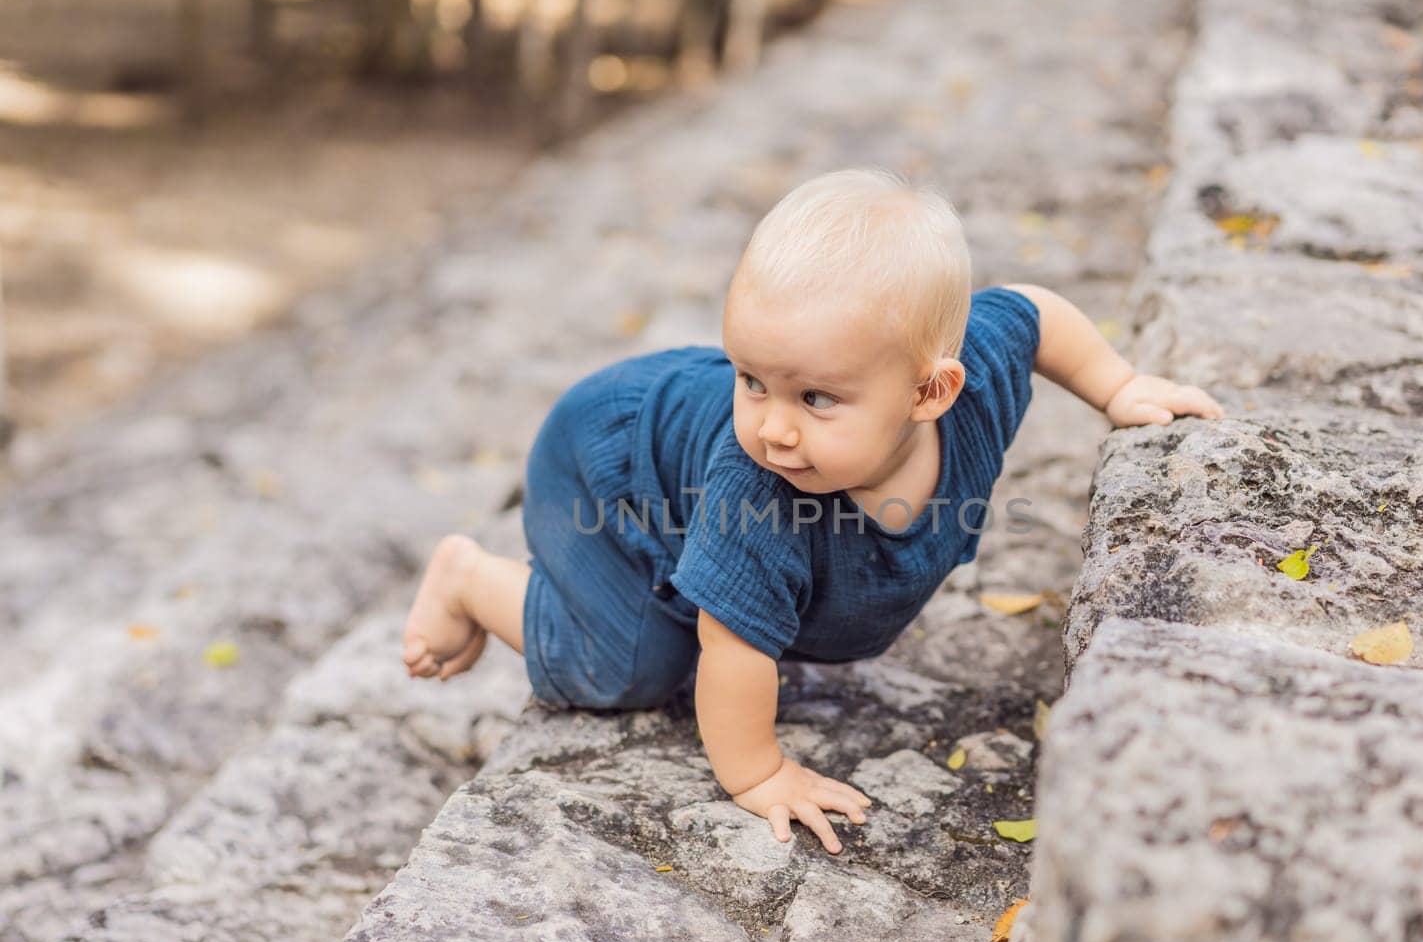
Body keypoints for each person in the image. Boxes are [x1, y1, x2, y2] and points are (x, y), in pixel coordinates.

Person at [401, 167, 1224, 856]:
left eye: (815, 396)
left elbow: (1035, 312)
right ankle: (471, 580)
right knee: (631, 667)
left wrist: (1118, 385)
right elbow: (729, 645)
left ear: (932, 389)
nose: (771, 426)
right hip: (607, 472)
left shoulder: (977, 375)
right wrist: (757, 771)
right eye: (750, 378)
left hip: (667, 442)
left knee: (728, 605)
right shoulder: (757, 484)